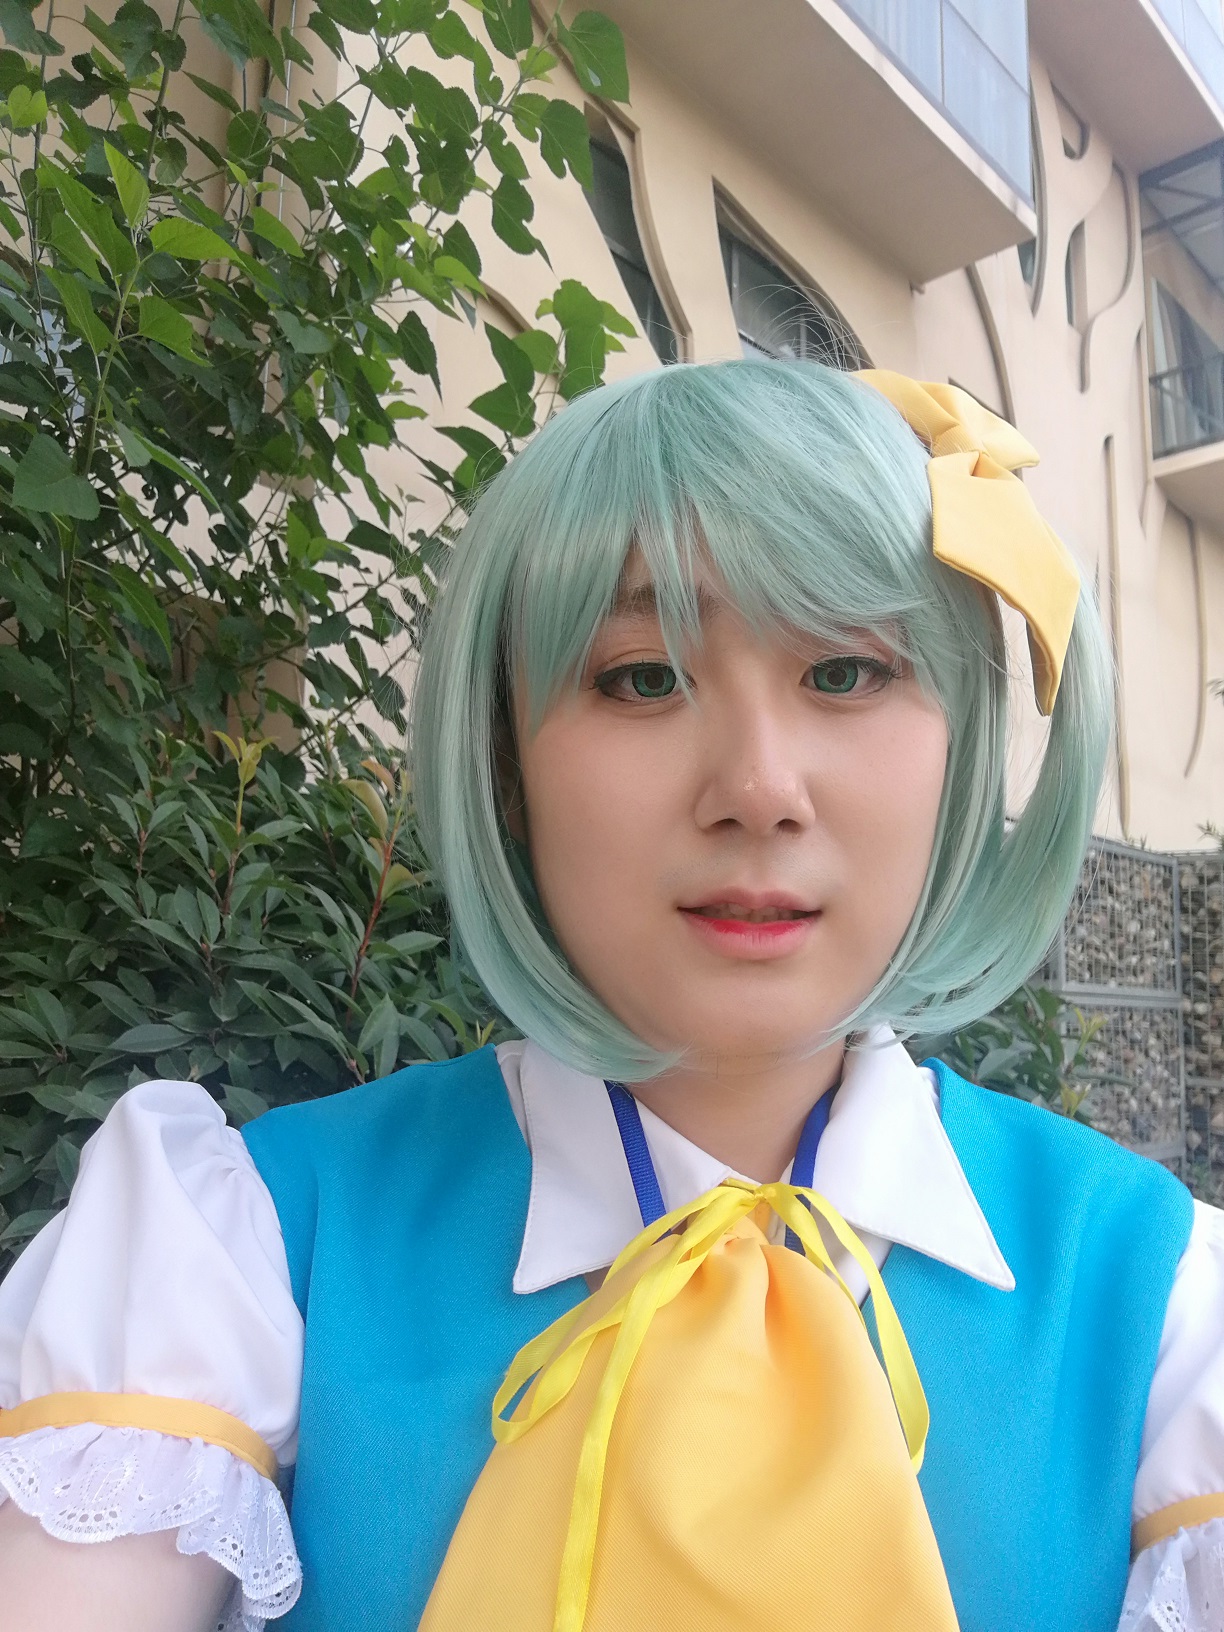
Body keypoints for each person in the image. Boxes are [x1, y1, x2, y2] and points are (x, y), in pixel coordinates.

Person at [0, 359, 1220, 1632]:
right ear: (506, 763)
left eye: (846, 673)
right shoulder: (242, 1252)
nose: (759, 789)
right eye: (642, 677)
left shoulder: (1164, 1311)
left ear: (963, 746)